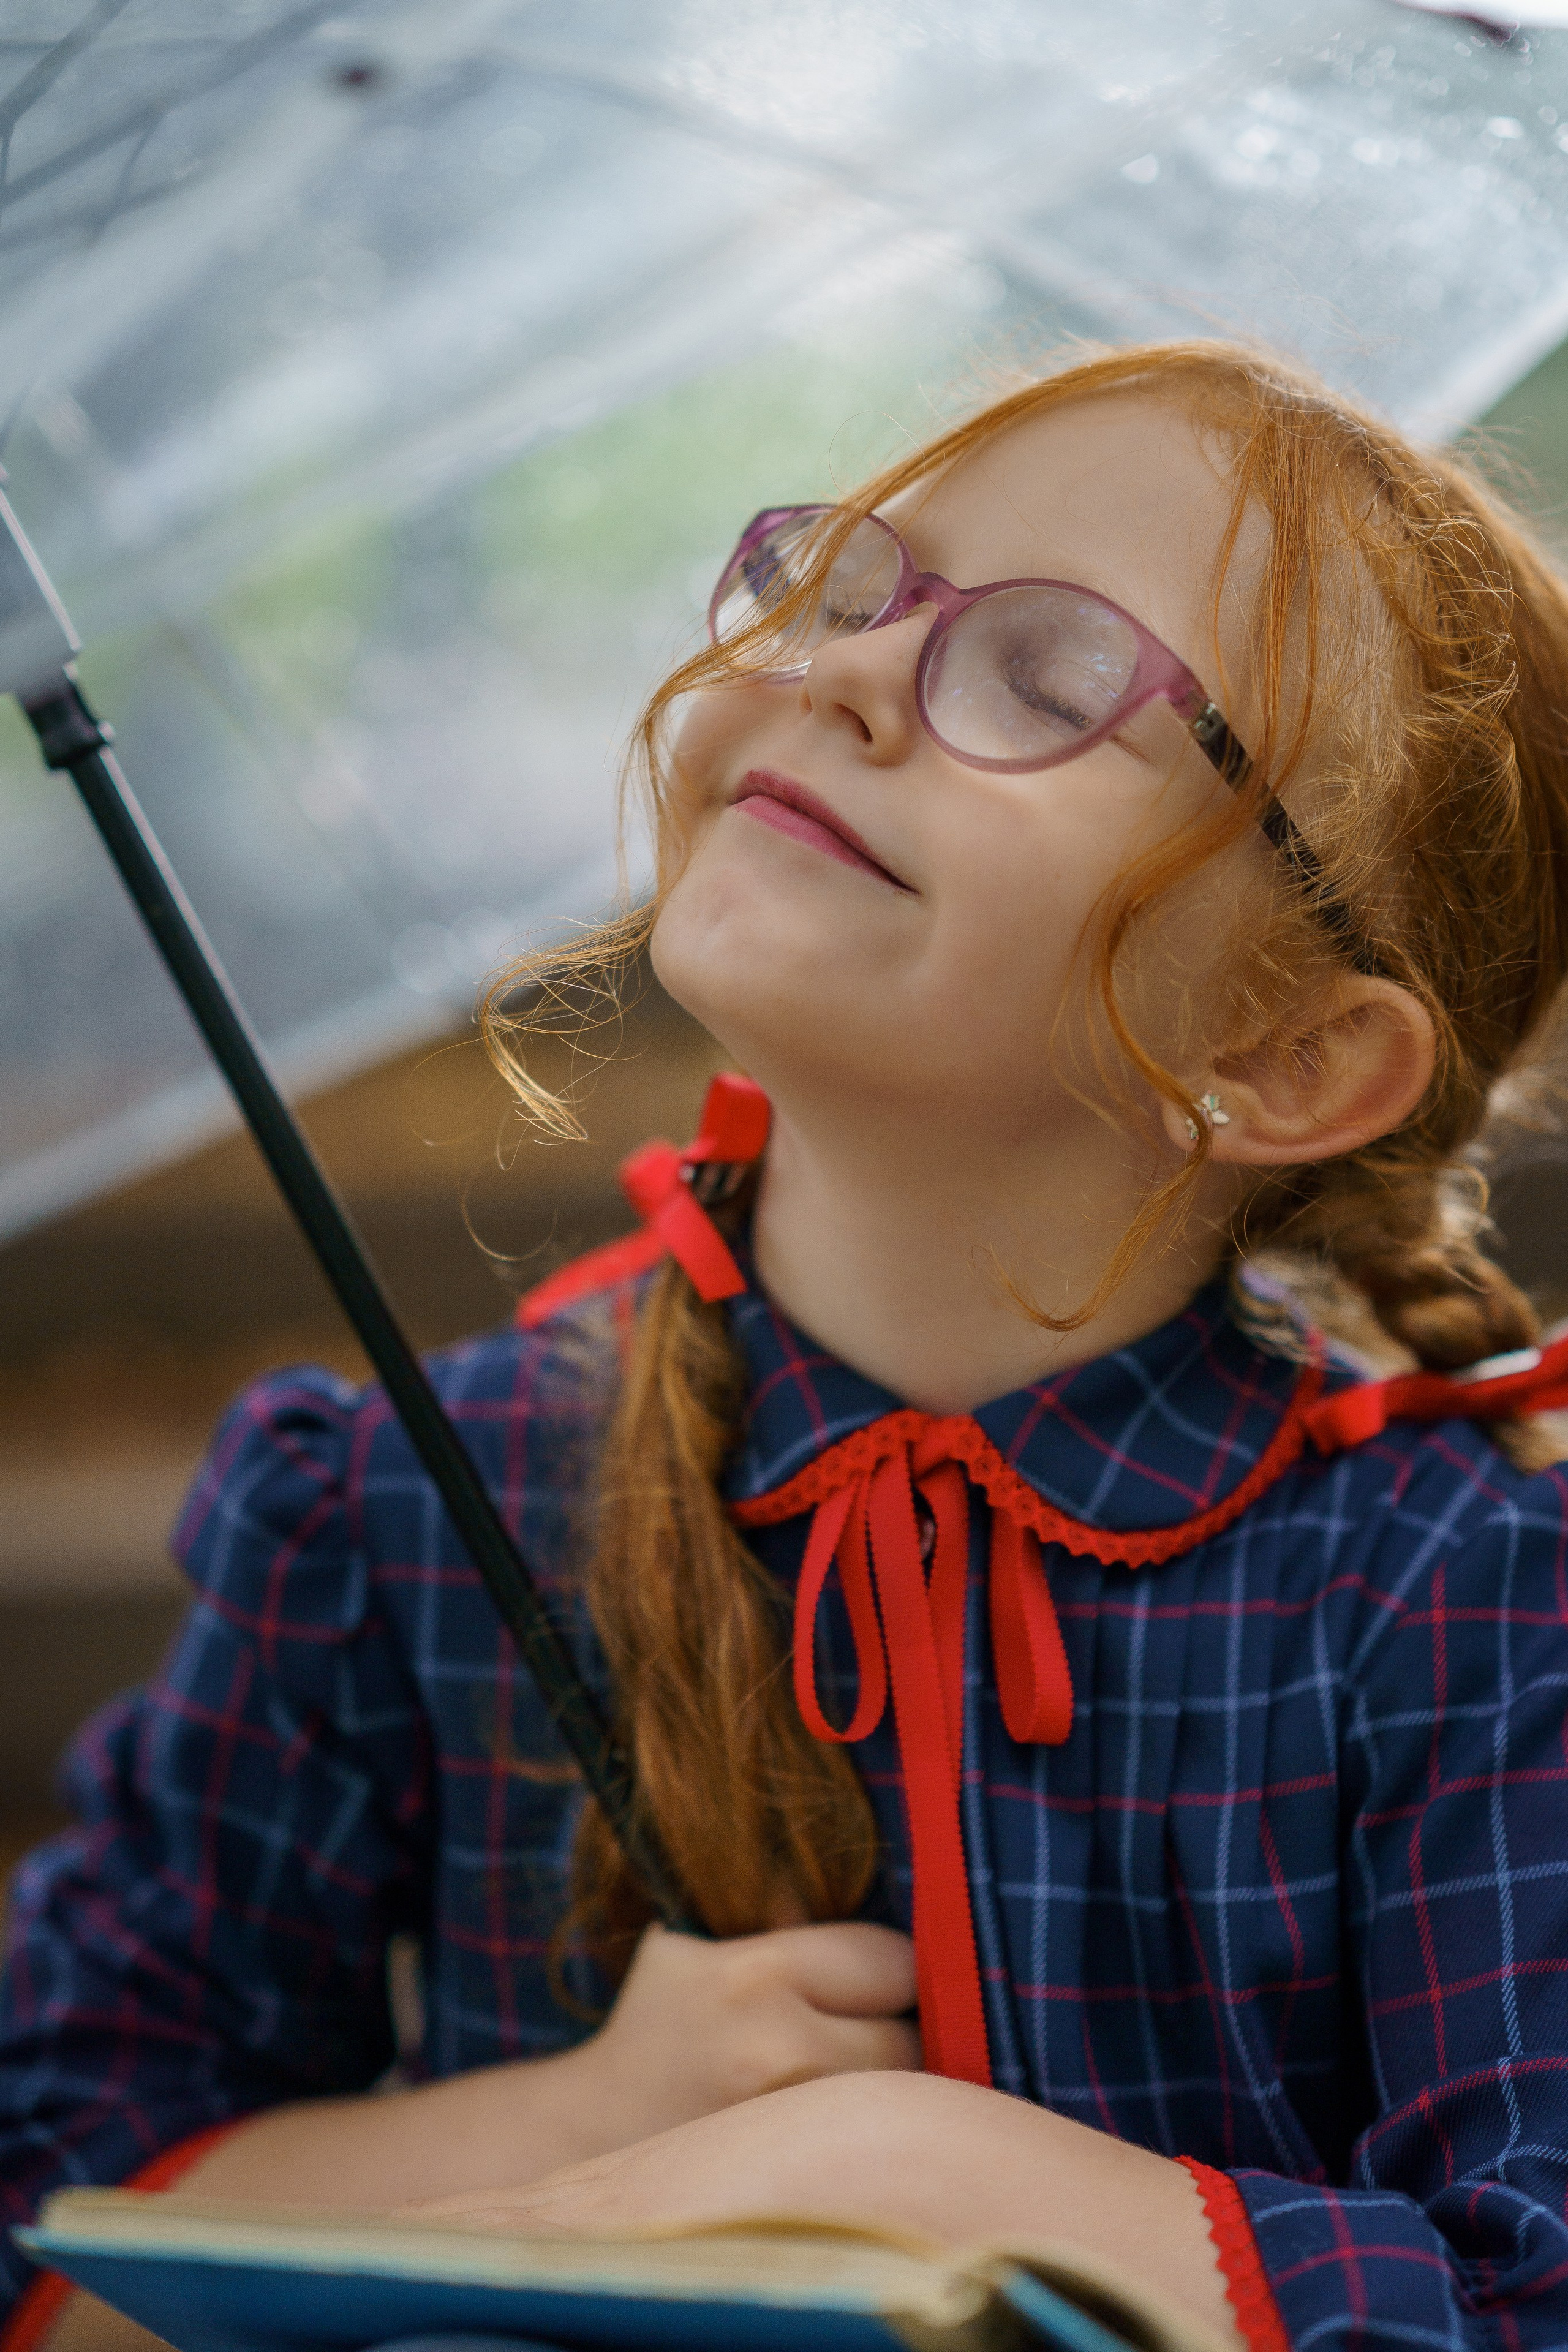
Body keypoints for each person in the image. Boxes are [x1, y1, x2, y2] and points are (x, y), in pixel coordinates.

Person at [4, 339, 1568, 2352]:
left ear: (1280, 1052)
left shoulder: (1461, 1608)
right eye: (845, 587)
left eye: (1046, 674)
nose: (837, 669)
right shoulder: (400, 1513)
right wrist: (599, 2120)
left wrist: (908, 2176)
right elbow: (57, 2230)